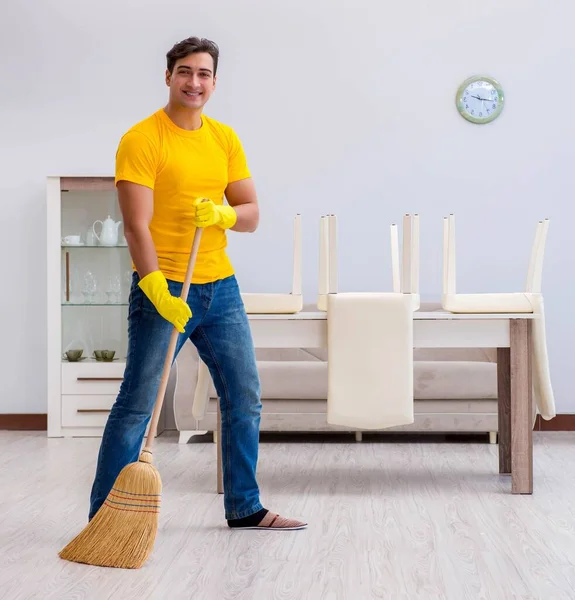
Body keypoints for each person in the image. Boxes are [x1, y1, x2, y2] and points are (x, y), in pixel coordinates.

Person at [88, 37, 307, 531]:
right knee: (137, 405)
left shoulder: (223, 138)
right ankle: (104, 519)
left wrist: (224, 213)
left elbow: (250, 214)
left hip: (220, 287)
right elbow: (135, 226)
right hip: (163, 287)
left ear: (214, 82)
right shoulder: (143, 139)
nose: (194, 82)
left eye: (204, 74)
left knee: (244, 395)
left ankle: (245, 507)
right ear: (168, 76)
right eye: (185, 72)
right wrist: (156, 289)